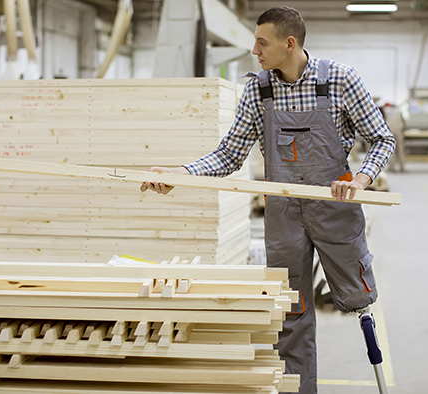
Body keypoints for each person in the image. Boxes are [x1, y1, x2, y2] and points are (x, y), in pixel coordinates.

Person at [141, 7, 394, 394]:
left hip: (334, 207)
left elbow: (382, 138)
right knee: (291, 312)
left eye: (262, 42)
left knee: (358, 299)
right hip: (284, 214)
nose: (254, 50)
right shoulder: (258, 90)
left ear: (288, 44)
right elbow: (229, 154)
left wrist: (361, 179)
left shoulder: (341, 80)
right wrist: (183, 173)